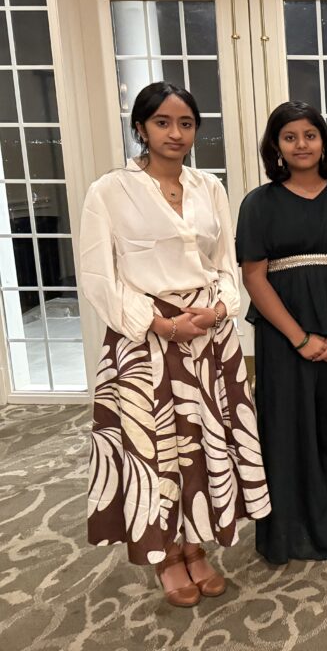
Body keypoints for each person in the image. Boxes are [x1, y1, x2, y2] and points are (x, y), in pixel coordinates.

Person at [79, 82, 270, 607]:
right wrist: (160, 324)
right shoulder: (109, 191)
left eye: (185, 123)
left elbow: (226, 262)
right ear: (140, 127)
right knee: (157, 451)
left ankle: (197, 545)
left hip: (207, 338)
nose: (175, 133)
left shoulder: (210, 187)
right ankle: (165, 554)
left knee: (206, 446)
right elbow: (99, 274)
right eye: (163, 122)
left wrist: (219, 310)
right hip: (147, 339)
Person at [237, 101, 327, 565]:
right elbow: (254, 276)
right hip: (284, 334)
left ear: (324, 143)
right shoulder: (258, 203)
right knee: (287, 423)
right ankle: (293, 529)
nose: (301, 145)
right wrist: (299, 337)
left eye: (310, 135)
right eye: (290, 137)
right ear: (276, 146)